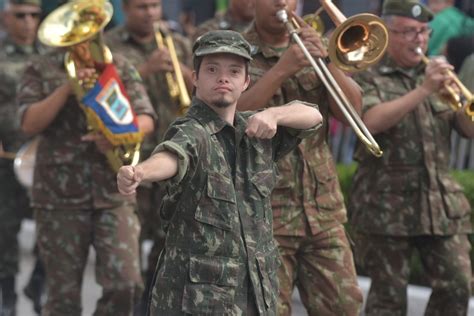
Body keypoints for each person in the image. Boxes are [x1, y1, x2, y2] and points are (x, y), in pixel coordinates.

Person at [117, 30, 323, 315]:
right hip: (198, 302)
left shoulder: (256, 130)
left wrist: (275, 114)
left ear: (246, 81)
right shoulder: (192, 131)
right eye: (212, 70)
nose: (223, 78)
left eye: (234, 71)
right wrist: (140, 172)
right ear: (195, 78)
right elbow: (174, 155)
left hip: (253, 295)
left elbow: (313, 116)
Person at [16, 3, 157, 314]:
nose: (86, 38)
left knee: (126, 285)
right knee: (62, 299)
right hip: (58, 198)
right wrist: (69, 86)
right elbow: (29, 123)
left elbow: (147, 118)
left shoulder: (118, 65)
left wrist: (119, 135)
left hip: (113, 192)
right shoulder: (39, 68)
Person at [236, 1, 364, 315]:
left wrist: (329, 61)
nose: (282, 2)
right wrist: (282, 69)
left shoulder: (310, 44)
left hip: (322, 211)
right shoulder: (234, 50)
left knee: (344, 307)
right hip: (264, 215)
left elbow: (353, 113)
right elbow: (232, 116)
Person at [348, 0, 474, 315]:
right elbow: (370, 121)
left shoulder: (437, 74)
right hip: (385, 204)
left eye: (423, 32)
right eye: (408, 32)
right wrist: (423, 90)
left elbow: (466, 129)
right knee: (388, 299)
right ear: (385, 33)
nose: (418, 40)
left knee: (458, 285)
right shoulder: (366, 71)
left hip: (439, 204)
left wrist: (462, 102)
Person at [105, 0, 193, 311]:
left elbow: (204, 89)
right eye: (142, 6)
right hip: (130, 158)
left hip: (172, 157)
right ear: (126, 8)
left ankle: (150, 303)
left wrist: (180, 69)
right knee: (129, 240)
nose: (151, 13)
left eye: (155, 6)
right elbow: (102, 95)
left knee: (167, 239)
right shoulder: (109, 45)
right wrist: (143, 71)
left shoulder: (178, 44)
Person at [0, 0, 43, 315]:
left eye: (33, 15)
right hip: (7, 155)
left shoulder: (52, 55)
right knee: (6, 229)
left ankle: (38, 283)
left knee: (56, 229)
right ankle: (9, 296)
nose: (28, 22)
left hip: (48, 159)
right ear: (6, 17)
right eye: (20, 16)